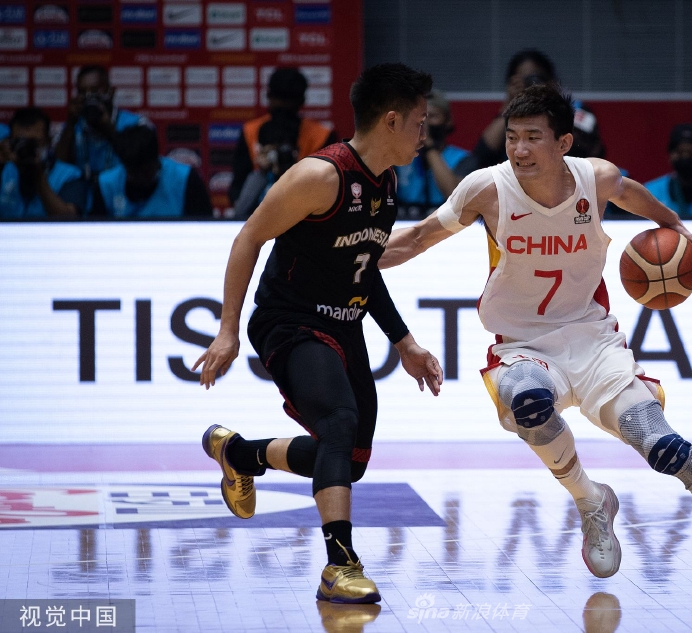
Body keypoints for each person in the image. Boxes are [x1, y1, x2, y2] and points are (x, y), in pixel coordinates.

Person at [381, 83, 692, 590]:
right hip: (522, 345)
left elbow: (632, 194)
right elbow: (417, 238)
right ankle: (591, 499)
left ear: (564, 143)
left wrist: (674, 225)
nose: (519, 149)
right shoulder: (486, 187)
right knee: (527, 401)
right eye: (512, 137)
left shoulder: (597, 178)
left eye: (533, 137)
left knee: (664, 448)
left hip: (594, 342)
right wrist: (349, 255)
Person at [191, 63, 444, 605]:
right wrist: (227, 331)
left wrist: (405, 342)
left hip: (343, 325)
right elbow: (248, 237)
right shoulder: (320, 175)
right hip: (289, 320)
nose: (425, 132)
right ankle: (339, 566)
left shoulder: (386, 181)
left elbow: (364, 270)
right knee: (338, 422)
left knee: (349, 458)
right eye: (420, 122)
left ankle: (240, 454)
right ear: (392, 121)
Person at [228, 67, 337, 207]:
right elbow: (237, 196)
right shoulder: (251, 132)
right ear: (303, 101)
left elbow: (330, 192)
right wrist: (261, 173)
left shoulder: (321, 137)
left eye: (288, 103)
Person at [91, 125, 213, 218]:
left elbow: (204, 228)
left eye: (145, 172)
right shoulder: (106, 184)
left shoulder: (186, 179)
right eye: (134, 172)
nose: (139, 178)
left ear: (156, 160)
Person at [53, 65, 145, 184]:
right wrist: (70, 124)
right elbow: (59, 169)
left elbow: (142, 166)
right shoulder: (72, 126)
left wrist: (109, 131)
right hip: (82, 193)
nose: (89, 97)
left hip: (122, 191)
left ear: (111, 92)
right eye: (82, 92)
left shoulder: (136, 124)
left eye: (95, 91)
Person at [394, 89, 478, 219]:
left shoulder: (463, 159)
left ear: (448, 120)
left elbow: (456, 198)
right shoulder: (397, 158)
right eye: (419, 119)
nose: (424, 125)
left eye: (432, 116)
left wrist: (428, 144)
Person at [473, 49, 557, 168]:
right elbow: (482, 156)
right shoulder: (512, 117)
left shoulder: (570, 109)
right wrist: (511, 102)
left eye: (534, 79)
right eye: (524, 81)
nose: (530, 85)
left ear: (549, 81)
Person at [0, 107, 84, 219]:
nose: (26, 148)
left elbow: (68, 218)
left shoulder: (70, 175)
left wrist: (38, 174)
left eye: (33, 143)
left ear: (48, 141)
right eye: (19, 142)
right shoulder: (5, 170)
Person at [232, 110, 300, 219]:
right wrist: (263, 173)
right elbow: (240, 212)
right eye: (271, 153)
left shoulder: (303, 177)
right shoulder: (257, 178)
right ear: (260, 150)